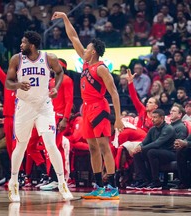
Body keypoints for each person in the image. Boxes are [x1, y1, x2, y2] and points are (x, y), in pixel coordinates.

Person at [51, 12, 124, 200]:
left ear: (93, 51)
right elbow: (73, 36)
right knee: (92, 147)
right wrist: (65, 18)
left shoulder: (100, 67)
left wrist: (119, 118)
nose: (84, 49)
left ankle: (113, 187)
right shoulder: (85, 63)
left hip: (99, 108)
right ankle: (99, 185)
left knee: (104, 147)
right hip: (87, 109)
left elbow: (114, 92)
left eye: (88, 47)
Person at [5, 31, 73, 202]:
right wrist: (18, 84)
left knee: (51, 144)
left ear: (32, 45)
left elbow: (59, 73)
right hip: (24, 107)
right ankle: (13, 183)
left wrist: (56, 87)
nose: (21, 45)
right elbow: (7, 82)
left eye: (23, 42)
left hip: (44, 106)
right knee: (21, 145)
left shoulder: (48, 57)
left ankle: (62, 183)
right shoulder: (16, 59)